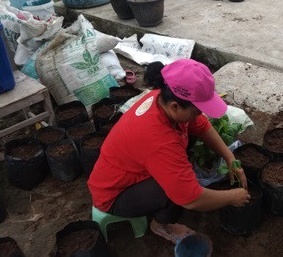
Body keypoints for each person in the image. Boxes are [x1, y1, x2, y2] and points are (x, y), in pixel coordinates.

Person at [87, 59, 250, 243]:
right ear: (175, 107)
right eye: (197, 111)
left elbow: (201, 125)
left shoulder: (163, 98)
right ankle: (161, 225)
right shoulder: (160, 141)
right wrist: (233, 197)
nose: (199, 115)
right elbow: (191, 199)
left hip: (130, 170)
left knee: (180, 172)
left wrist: (229, 157)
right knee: (174, 189)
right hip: (115, 194)